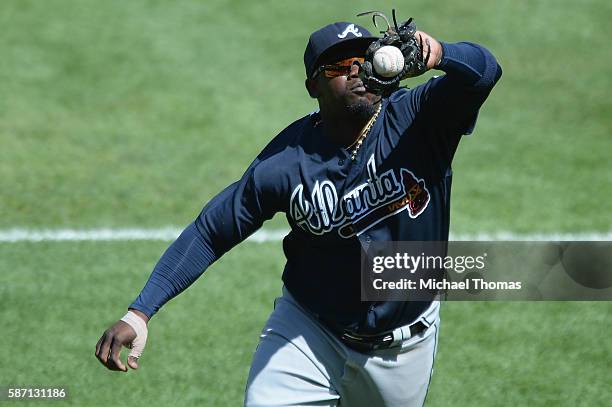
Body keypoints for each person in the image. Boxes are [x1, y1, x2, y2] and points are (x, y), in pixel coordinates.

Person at [95, 17, 501, 407]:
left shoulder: (419, 119)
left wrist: (439, 53)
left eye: (365, 58)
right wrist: (140, 312)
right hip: (310, 330)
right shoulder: (287, 161)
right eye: (342, 65)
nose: (359, 70)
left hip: (403, 347)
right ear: (313, 85)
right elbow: (211, 231)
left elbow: (484, 72)